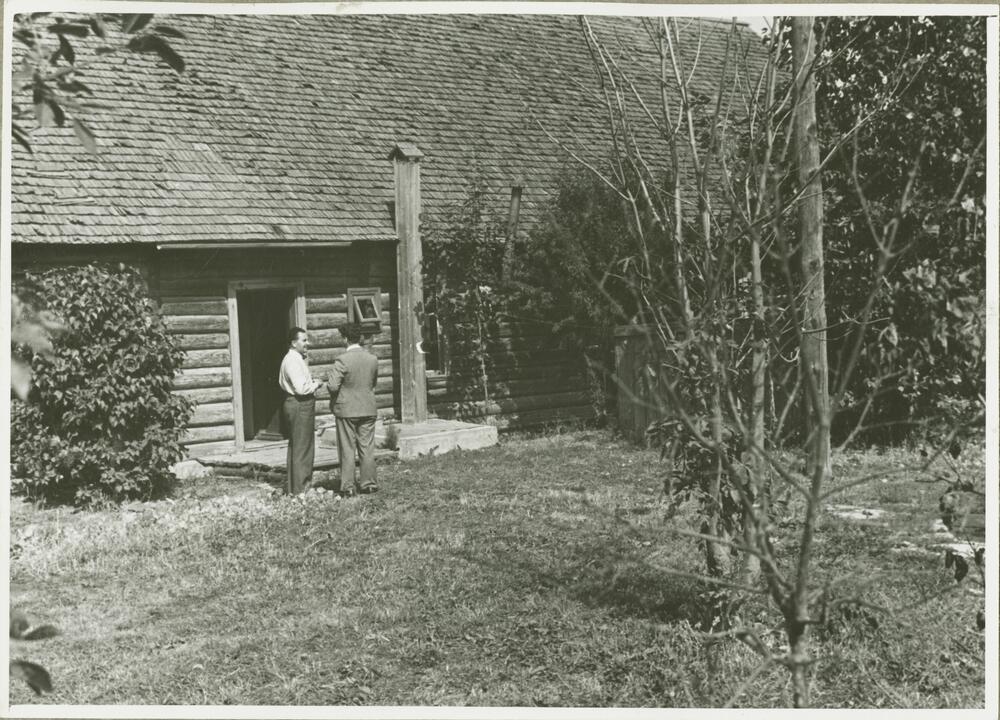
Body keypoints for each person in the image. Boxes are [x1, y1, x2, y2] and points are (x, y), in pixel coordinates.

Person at [327, 322, 380, 495]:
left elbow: (332, 386)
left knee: (347, 449)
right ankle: (369, 484)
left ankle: (348, 487)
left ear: (345, 339)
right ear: (360, 338)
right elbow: (372, 383)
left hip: (347, 409)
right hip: (368, 407)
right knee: (367, 447)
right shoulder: (372, 359)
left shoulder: (342, 360)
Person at [278, 326, 322, 495]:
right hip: (300, 404)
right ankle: (301, 489)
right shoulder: (292, 361)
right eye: (303, 340)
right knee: (303, 447)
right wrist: (316, 384)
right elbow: (301, 389)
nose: (307, 343)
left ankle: (295, 488)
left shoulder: (295, 359)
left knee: (298, 445)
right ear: (293, 343)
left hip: (298, 404)